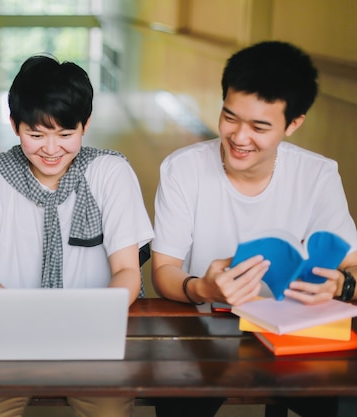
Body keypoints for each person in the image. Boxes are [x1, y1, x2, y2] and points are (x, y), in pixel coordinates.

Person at [151, 40, 357, 417]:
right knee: (176, 397)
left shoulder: (318, 175)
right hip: (208, 333)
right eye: (230, 117)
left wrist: (342, 285)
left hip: (295, 332)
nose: (239, 138)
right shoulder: (183, 169)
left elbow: (353, 267)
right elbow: (163, 270)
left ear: (293, 124)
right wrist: (202, 287)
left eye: (259, 126)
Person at [0, 54, 154, 417]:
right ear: (15, 124)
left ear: (86, 125)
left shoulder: (110, 172)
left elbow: (128, 272)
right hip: (12, 338)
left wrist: (92, 318)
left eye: (66, 134)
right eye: (36, 134)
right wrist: (7, 312)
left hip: (94, 337)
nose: (51, 149)